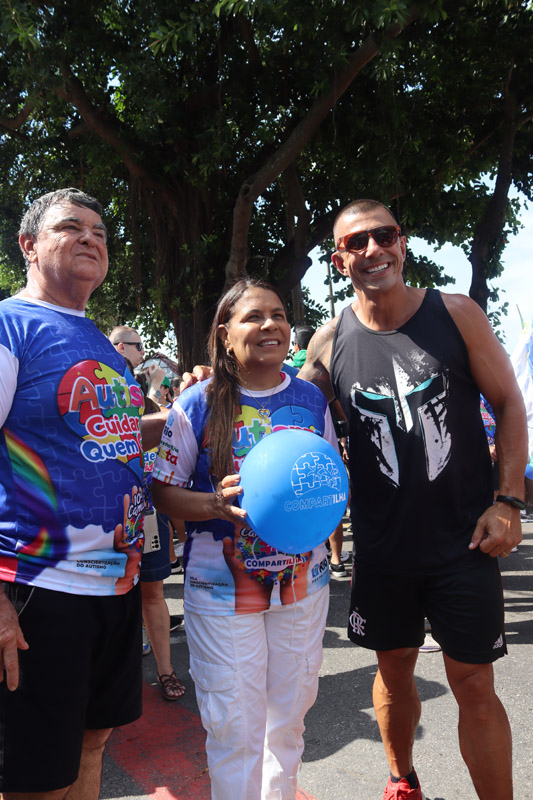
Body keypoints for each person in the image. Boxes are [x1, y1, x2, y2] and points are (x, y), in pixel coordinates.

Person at [296, 199, 527, 800]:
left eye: (385, 236)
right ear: (338, 259)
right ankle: (402, 782)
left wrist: (508, 500)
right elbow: (286, 414)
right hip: (382, 546)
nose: (373, 250)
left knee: (474, 682)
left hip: (463, 541)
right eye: (357, 243)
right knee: (393, 672)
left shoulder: (456, 313)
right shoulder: (329, 340)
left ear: (403, 242)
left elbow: (508, 404)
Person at [0, 188, 166, 798]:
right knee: (35, 777)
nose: (91, 237)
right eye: (71, 227)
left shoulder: (100, 341)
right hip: (38, 590)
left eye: (99, 230)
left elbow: (109, 441)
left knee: (93, 741)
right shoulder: (9, 325)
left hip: (115, 585)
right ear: (28, 245)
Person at [151, 278, 336, 800]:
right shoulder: (196, 404)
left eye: (278, 314)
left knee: (289, 720)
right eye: (253, 317)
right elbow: (162, 492)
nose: (270, 325)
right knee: (234, 725)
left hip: (303, 585)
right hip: (221, 590)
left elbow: (328, 481)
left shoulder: (309, 399)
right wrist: (214, 504)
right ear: (226, 334)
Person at [111, 329, 185, 700]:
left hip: (148, 514)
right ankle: (114, 686)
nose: (144, 353)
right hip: (106, 520)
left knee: (153, 594)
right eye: (138, 346)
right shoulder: (99, 380)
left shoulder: (147, 401)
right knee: (113, 601)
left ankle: (167, 673)